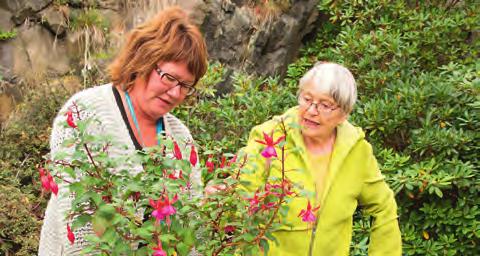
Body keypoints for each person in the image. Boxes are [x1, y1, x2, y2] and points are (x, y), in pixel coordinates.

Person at [38, 6, 208, 255]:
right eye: (169, 78)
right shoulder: (83, 113)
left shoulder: (181, 138)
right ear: (144, 60)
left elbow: (192, 224)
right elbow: (79, 223)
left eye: (185, 86)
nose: (175, 93)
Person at [239, 62, 402, 255]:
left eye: (325, 105)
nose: (311, 111)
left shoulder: (357, 151)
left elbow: (384, 208)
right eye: (307, 99)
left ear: (344, 113)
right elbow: (239, 196)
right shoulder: (270, 137)